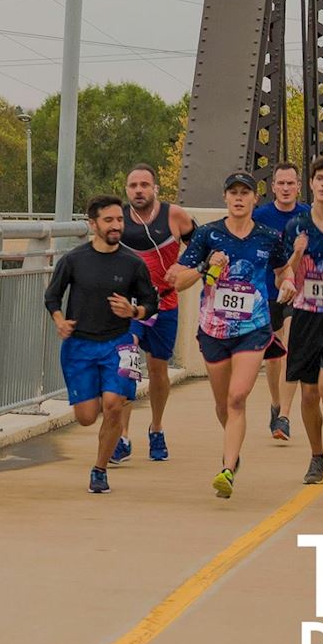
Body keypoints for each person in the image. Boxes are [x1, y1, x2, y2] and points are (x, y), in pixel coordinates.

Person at [168, 171, 293, 499]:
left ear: (255, 199)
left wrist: (288, 283)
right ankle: (233, 449)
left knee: (238, 397)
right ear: (225, 198)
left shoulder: (268, 237)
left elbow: (282, 271)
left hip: (253, 328)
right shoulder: (208, 236)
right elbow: (178, 281)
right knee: (224, 403)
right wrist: (205, 267)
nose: (239, 198)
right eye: (233, 192)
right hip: (214, 330)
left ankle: (227, 465)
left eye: (245, 193)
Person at [45, 194, 158, 494]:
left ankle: (100, 470)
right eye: (108, 220)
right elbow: (52, 296)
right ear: (92, 224)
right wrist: (59, 319)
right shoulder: (73, 259)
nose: (116, 225)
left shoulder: (132, 262)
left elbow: (151, 302)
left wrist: (134, 311)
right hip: (79, 346)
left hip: (118, 344)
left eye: (119, 219)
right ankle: (97, 391)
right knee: (85, 417)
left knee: (113, 406)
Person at [117, 164, 197, 464]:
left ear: (155, 189)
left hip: (165, 302)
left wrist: (184, 266)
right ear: (127, 190)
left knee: (157, 370)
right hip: (129, 306)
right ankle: (122, 436)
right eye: (133, 185)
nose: (138, 190)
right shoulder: (119, 217)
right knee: (126, 365)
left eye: (144, 185)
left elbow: (197, 245)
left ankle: (156, 428)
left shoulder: (174, 215)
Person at [277, 156, 323, 485]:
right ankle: (317, 455)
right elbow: (284, 274)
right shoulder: (297, 226)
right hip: (305, 315)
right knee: (308, 395)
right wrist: (295, 256)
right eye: (318, 178)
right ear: (311, 184)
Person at [252, 162, 310, 441]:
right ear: (272, 187)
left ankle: (284, 416)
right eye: (281, 183)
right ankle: (276, 403)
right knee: (274, 356)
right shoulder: (259, 215)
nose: (286, 188)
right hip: (267, 291)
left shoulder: (309, 216)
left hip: (299, 293)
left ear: (299, 186)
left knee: (290, 346)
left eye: (291, 183)